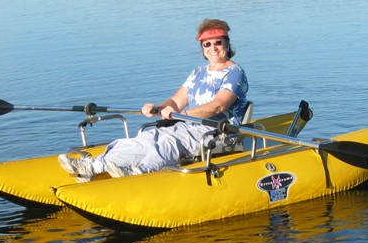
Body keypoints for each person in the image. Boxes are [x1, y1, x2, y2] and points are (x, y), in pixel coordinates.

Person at [58, 19, 249, 182]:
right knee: (148, 137)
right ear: (202, 48)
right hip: (189, 125)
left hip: (217, 130)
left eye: (218, 42)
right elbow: (175, 102)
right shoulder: (198, 72)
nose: (213, 48)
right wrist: (157, 109)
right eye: (207, 44)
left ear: (227, 44)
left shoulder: (235, 72)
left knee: (169, 140)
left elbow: (218, 105)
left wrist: (182, 115)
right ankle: (95, 165)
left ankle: (141, 172)